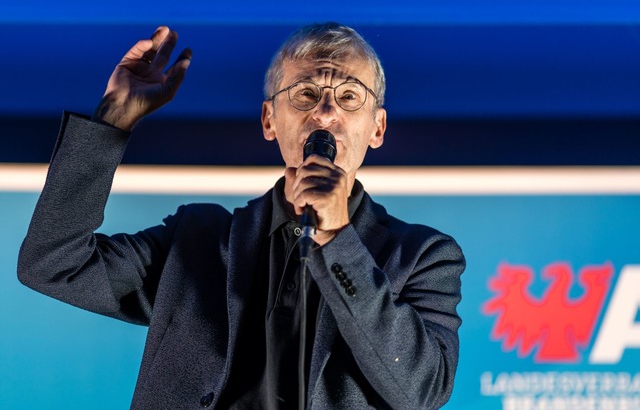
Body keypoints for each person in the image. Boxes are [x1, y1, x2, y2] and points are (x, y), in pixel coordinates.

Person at [18, 23, 465, 409]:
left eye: (349, 96)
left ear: (377, 128)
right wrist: (113, 118)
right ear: (270, 120)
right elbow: (54, 263)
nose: (326, 113)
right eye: (306, 93)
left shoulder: (424, 257)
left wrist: (338, 237)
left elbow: (420, 390)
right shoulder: (193, 241)